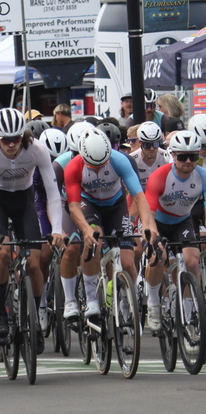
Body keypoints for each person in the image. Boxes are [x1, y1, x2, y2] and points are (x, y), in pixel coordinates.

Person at [0, 108, 64, 340]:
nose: (12, 145)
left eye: (16, 139)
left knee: (34, 264)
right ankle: (0, 315)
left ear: (22, 136)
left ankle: (34, 313)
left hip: (25, 200)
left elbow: (53, 193)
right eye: (6, 140)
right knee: (2, 253)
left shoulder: (37, 150)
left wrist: (56, 229)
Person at [65, 126, 156, 319]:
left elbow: (139, 197)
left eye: (102, 164)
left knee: (127, 262)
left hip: (116, 205)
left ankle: (126, 299)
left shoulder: (120, 160)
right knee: (94, 242)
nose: (98, 168)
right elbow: (73, 206)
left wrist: (147, 224)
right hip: (88, 204)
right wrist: (85, 230)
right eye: (93, 166)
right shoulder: (74, 166)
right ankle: (90, 299)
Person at [144, 130, 206, 330]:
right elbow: (149, 214)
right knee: (157, 256)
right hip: (158, 222)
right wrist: (153, 236)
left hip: (182, 221)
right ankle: (153, 303)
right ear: (173, 156)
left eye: (193, 156)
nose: (188, 161)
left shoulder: (202, 176)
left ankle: (189, 316)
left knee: (192, 262)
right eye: (183, 156)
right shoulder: (160, 176)